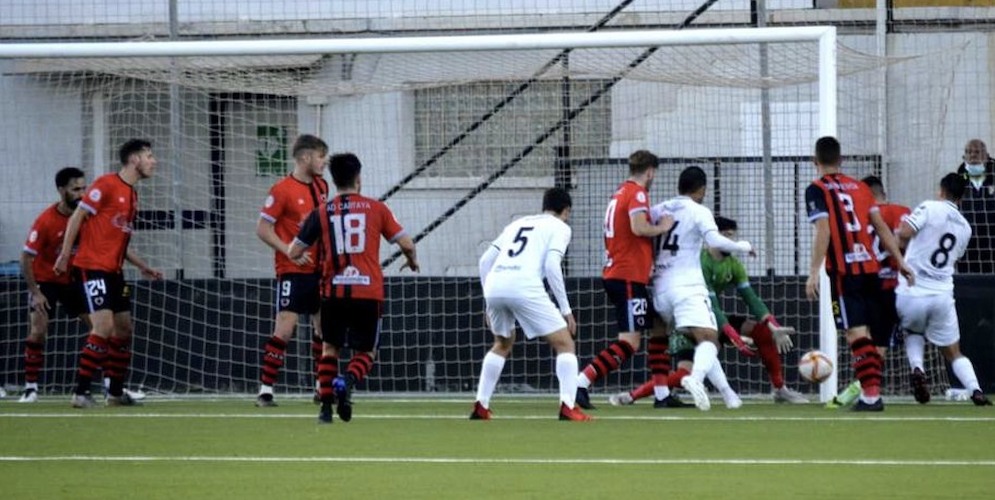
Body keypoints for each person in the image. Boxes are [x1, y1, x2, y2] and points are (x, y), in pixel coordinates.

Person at [612, 216, 806, 407]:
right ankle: (632, 395)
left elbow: (751, 299)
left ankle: (780, 389)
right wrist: (734, 337)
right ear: (714, 236)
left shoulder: (734, 265)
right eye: (726, 236)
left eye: (733, 236)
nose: (731, 241)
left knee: (763, 331)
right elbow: (713, 305)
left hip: (711, 321)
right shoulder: (700, 262)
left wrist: (773, 325)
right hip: (688, 323)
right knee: (684, 374)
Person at [289, 153, 418, 424]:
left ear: (335, 181)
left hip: (333, 292)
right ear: (358, 179)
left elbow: (294, 250)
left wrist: (305, 255)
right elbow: (406, 243)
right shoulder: (377, 208)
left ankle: (325, 410)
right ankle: (346, 381)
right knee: (367, 352)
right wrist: (411, 261)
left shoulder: (321, 212)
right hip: (368, 293)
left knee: (329, 349)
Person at [804, 136, 912, 412]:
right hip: (872, 269)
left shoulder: (816, 189)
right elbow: (881, 227)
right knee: (867, 335)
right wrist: (900, 260)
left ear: (815, 162)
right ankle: (869, 395)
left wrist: (813, 272)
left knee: (855, 334)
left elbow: (824, 230)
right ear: (842, 160)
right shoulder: (862, 188)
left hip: (844, 271)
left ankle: (872, 397)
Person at [55, 139, 163, 408]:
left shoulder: (133, 195)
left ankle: (115, 393)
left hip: (115, 272)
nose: (154, 161)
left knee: (124, 330)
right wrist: (65, 254)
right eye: (149, 156)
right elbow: (76, 217)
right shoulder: (105, 184)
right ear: (134, 160)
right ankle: (80, 393)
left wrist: (142, 266)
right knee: (103, 327)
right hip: (92, 269)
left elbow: (118, 240)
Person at [469, 188, 590, 421]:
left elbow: (485, 261)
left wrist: (487, 302)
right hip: (523, 285)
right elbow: (552, 266)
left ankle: (481, 405)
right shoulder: (561, 227)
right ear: (566, 211)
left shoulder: (519, 223)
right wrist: (566, 310)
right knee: (565, 344)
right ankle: (568, 406)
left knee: (502, 343)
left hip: (495, 284)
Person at [644, 167, 756, 411]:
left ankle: (729, 395)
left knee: (699, 339)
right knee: (710, 340)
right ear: (702, 189)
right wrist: (742, 246)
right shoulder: (699, 211)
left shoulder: (657, 209)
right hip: (687, 287)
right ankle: (694, 379)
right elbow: (714, 241)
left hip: (659, 288)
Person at [574, 150, 674, 410]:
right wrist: (663, 227)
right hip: (627, 276)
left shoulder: (619, 192)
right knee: (630, 342)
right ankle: (581, 382)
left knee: (659, 326)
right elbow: (638, 228)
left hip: (623, 274)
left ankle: (662, 395)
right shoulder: (638, 193)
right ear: (650, 171)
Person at [896, 173, 991, 406]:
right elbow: (954, 257)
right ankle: (975, 389)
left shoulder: (929, 207)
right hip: (942, 294)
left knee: (912, 331)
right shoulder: (966, 227)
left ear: (941, 191)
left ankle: (917, 368)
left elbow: (904, 234)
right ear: (962, 198)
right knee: (953, 352)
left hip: (912, 289)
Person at [254, 134, 330, 408]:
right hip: (292, 269)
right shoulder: (282, 189)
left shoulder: (322, 186)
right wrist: (288, 250)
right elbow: (262, 229)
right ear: (305, 157)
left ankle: (321, 387)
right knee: (286, 327)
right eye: (321, 156)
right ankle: (266, 390)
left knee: (323, 329)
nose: (324, 162)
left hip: (320, 270)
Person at [826, 176, 911, 408]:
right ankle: (867, 392)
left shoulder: (857, 214)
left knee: (856, 333)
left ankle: (864, 391)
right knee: (879, 344)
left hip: (865, 278)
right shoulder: (902, 211)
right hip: (894, 286)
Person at [17, 168, 89, 403]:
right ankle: (30, 388)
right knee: (37, 331)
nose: (81, 193)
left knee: (100, 329)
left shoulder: (88, 216)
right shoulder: (45, 220)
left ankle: (111, 386)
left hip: (74, 280)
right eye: (75, 189)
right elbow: (26, 257)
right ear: (61, 191)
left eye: (83, 188)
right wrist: (35, 292)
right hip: (45, 281)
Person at [955, 139, 995, 274]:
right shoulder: (958, 180)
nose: (972, 155)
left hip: (991, 238)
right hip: (968, 241)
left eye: (977, 152)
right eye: (968, 152)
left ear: (986, 156)